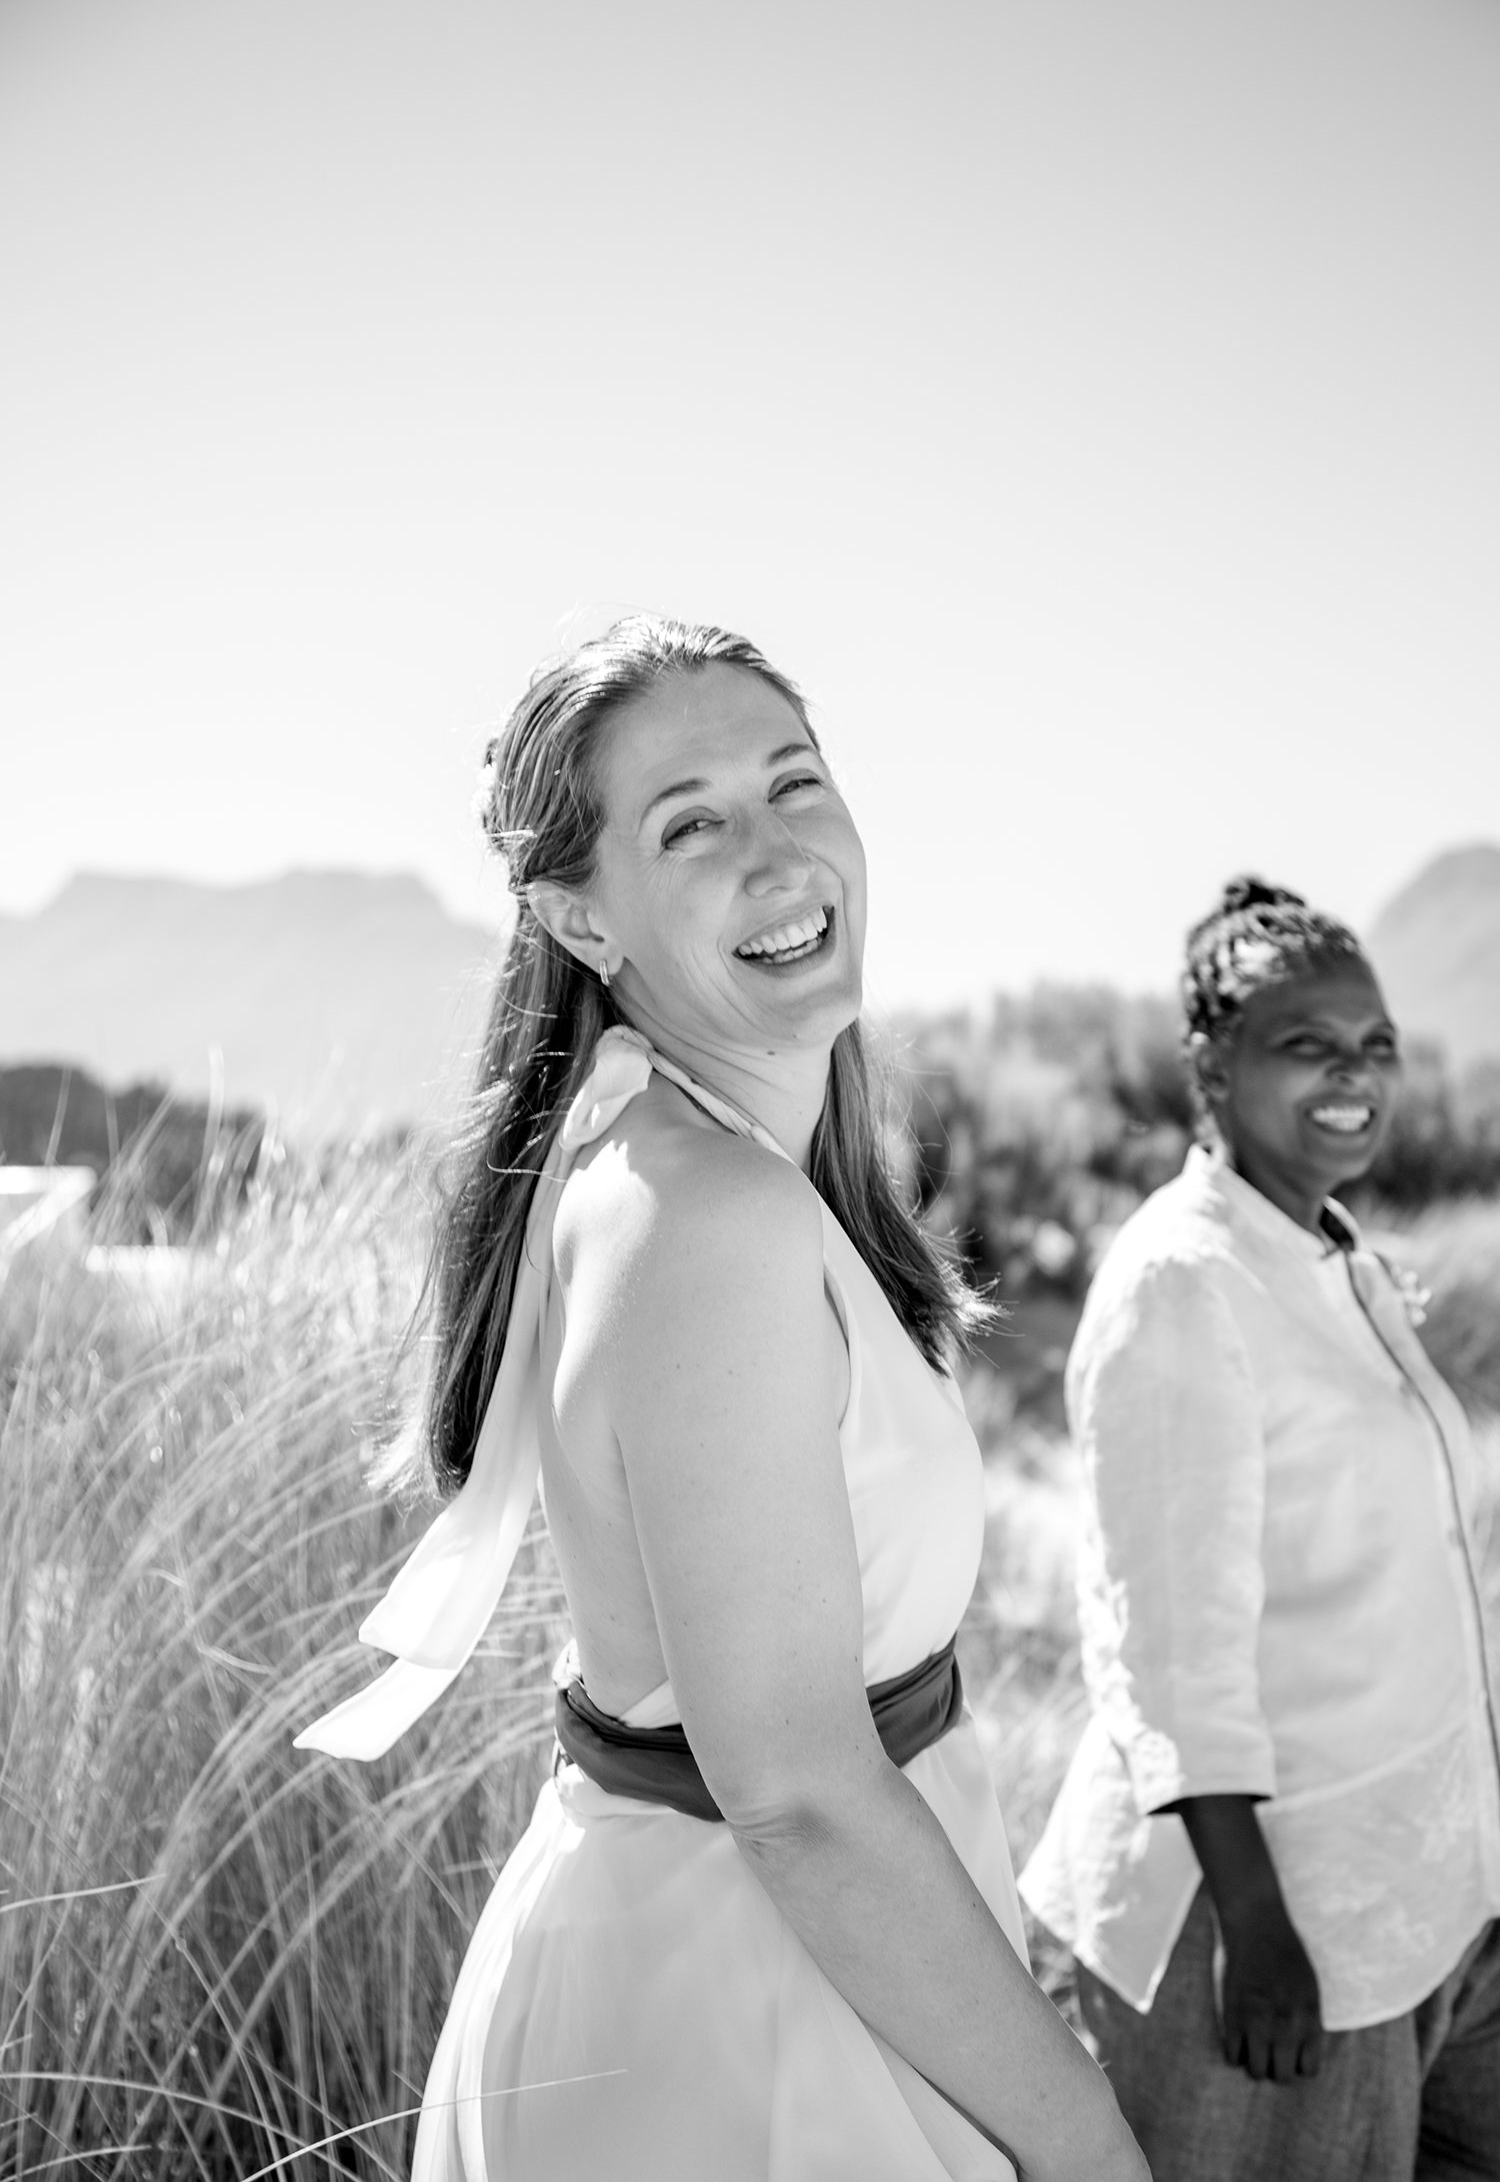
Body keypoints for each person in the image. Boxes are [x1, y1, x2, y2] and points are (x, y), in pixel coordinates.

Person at [296, 617, 1145, 2182]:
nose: (777, 852)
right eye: (690, 822)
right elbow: (803, 1794)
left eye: (795, 782)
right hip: (745, 2034)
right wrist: (1083, 2132)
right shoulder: (704, 1216)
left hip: (807, 1984)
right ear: (582, 917)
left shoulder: (713, 1164)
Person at [1020, 876, 1500, 2182]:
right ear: (1210, 1066)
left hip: (1416, 1904)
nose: (1355, 1075)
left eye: (1375, 1045)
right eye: (1307, 1044)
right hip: (1247, 1941)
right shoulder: (1185, 1281)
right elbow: (1167, 1643)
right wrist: (1257, 1922)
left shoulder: (1332, 1254)